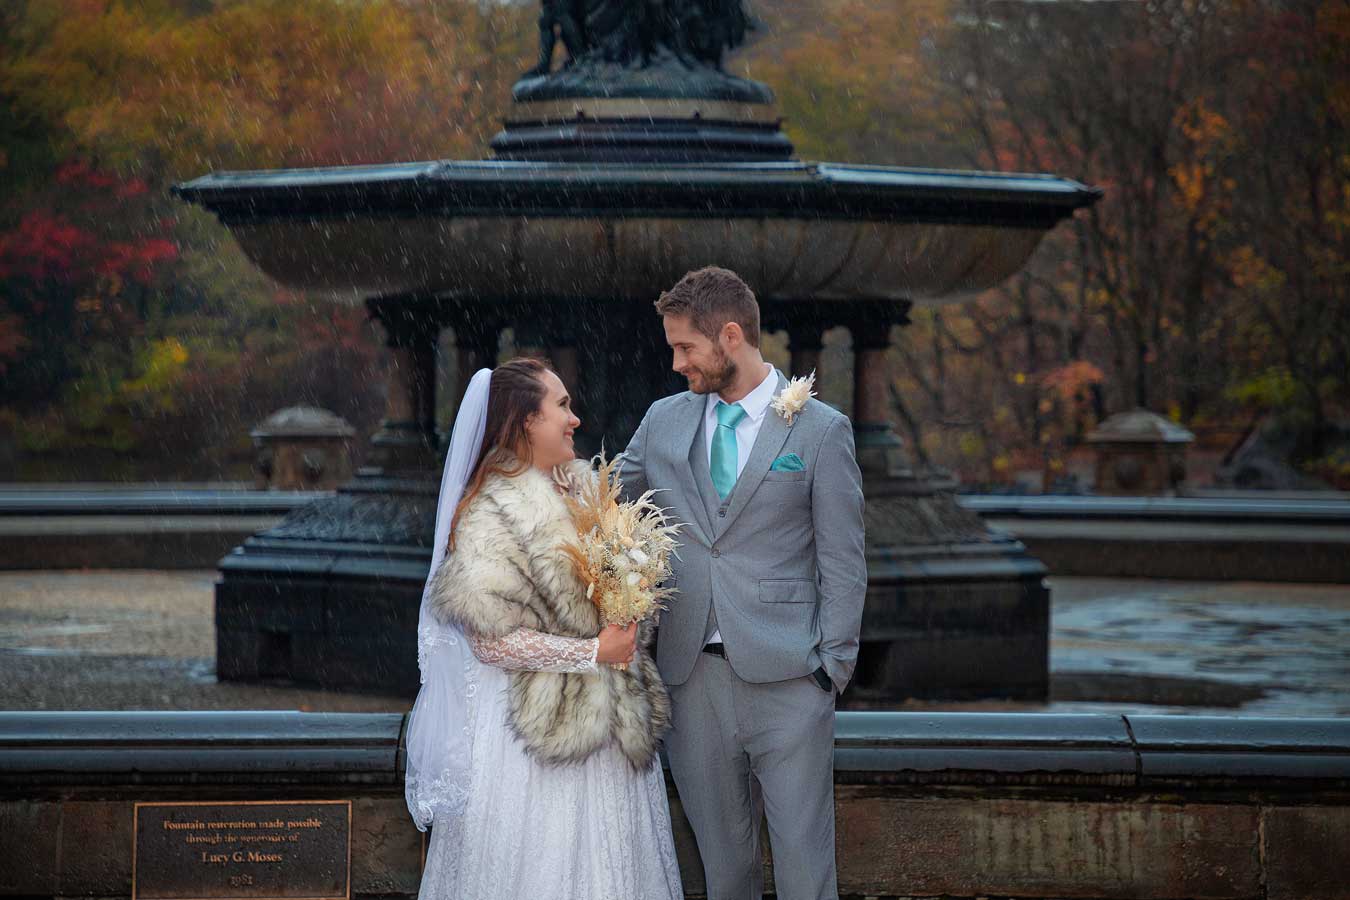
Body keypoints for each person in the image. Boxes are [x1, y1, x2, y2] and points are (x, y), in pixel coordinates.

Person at [618, 266, 867, 900]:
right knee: (724, 874)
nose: (676, 363)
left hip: (790, 678)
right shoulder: (662, 420)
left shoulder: (820, 431)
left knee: (806, 876)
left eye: (685, 347)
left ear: (731, 336)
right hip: (689, 678)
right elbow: (604, 501)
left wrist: (829, 670)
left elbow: (843, 561)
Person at [406, 357, 683, 900]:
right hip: (530, 734)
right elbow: (490, 642)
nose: (574, 418)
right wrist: (591, 653)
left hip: (609, 726)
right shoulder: (492, 511)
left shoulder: (586, 494)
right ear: (525, 421)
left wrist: (630, 606)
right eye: (561, 405)